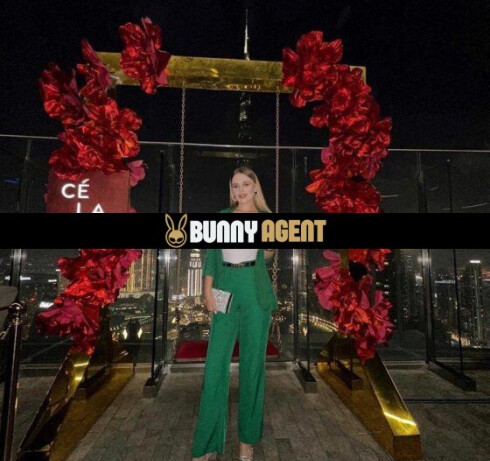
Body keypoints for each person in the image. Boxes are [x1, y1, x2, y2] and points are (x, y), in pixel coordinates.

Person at [191, 166, 278, 461]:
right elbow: (211, 258)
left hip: (255, 291)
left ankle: (247, 441)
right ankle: (207, 443)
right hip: (225, 287)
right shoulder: (222, 217)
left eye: (245, 184)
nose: (240, 190)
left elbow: (268, 255)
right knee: (215, 365)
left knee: (253, 367)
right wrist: (206, 290)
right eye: (235, 185)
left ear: (255, 187)